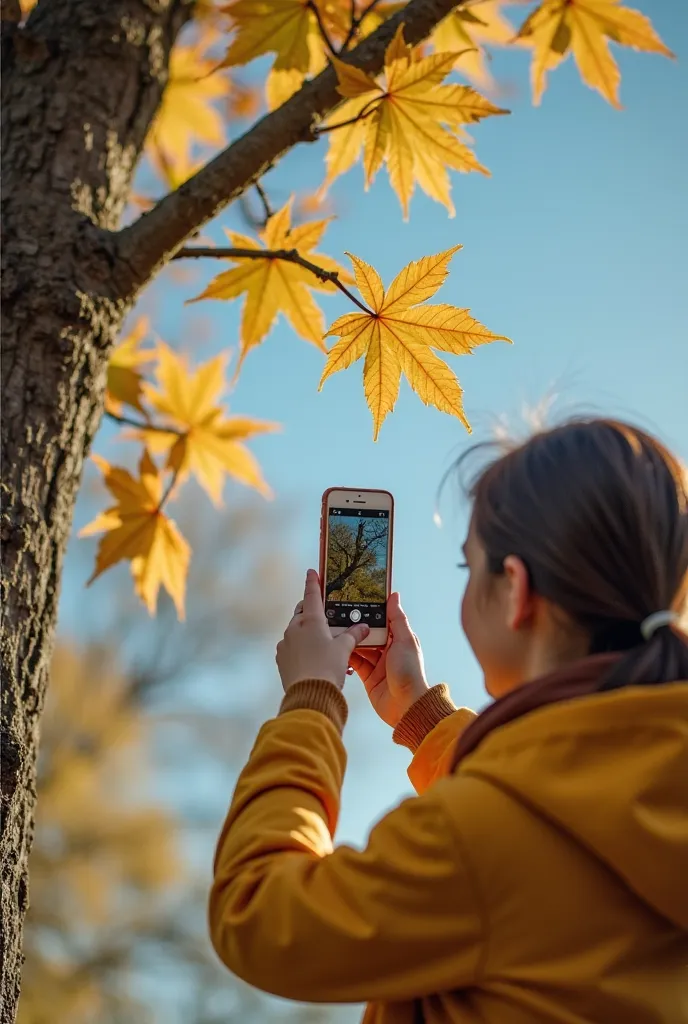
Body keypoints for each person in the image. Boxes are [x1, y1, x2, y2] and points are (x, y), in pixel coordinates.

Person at [209, 418, 688, 1024]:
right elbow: (554, 804)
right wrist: (422, 721)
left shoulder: (477, 843)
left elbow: (258, 917)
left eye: (468, 568)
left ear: (515, 590)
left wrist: (311, 702)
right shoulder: (652, 792)